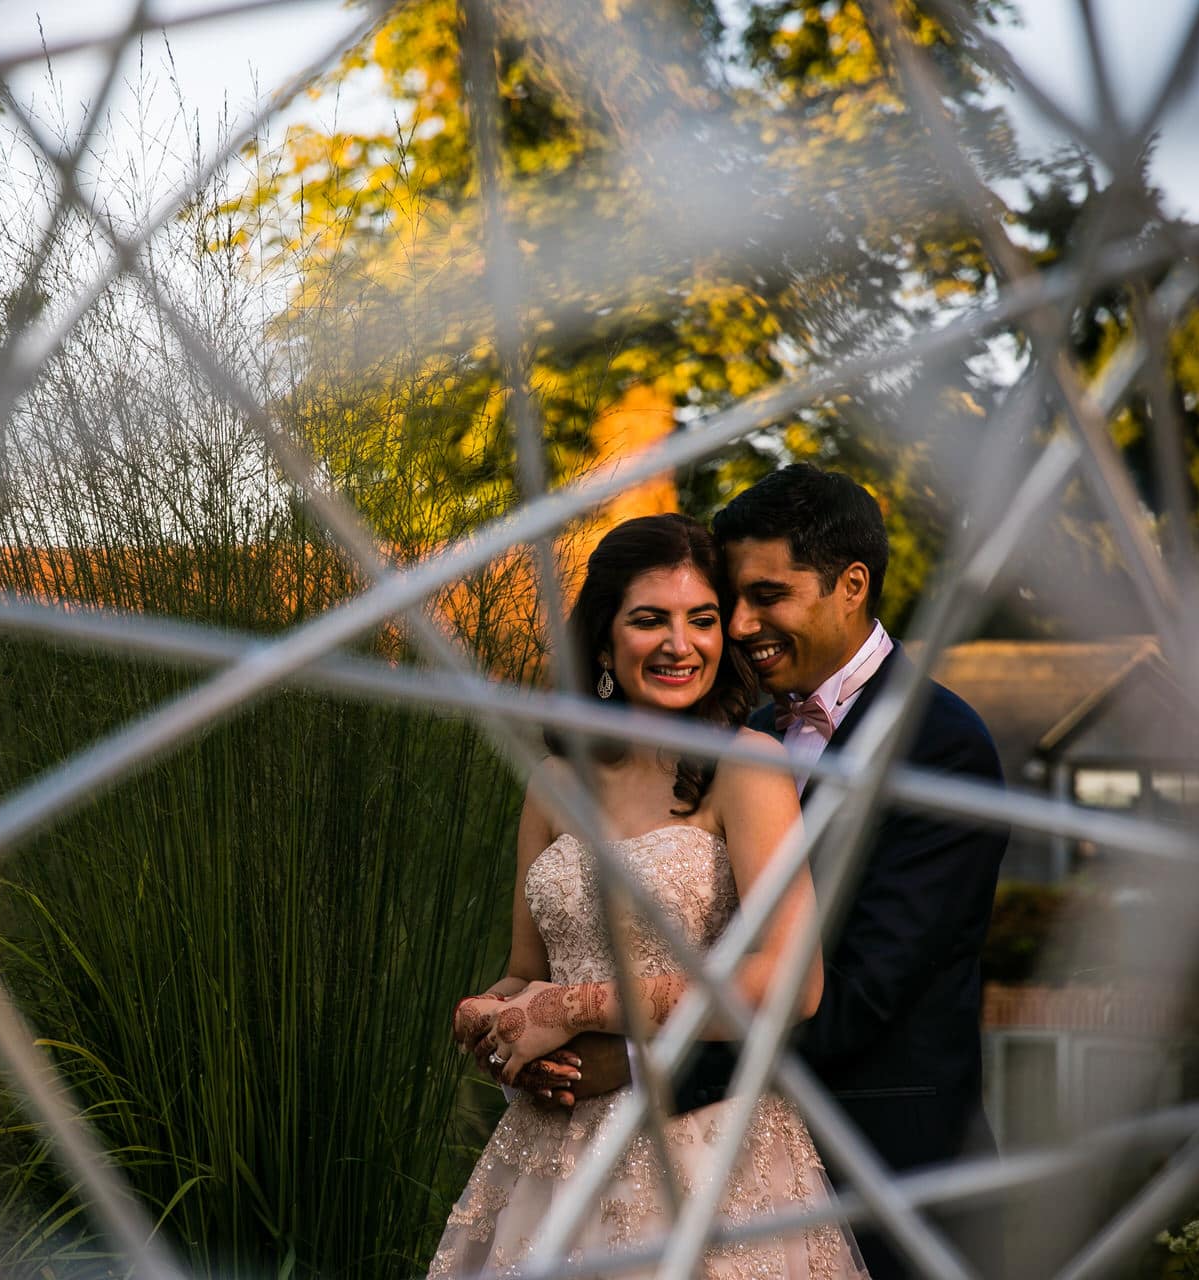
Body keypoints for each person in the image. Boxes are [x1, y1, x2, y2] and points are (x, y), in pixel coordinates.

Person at [517, 466, 1007, 1280]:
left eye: (768, 596)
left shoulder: (938, 748)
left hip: (879, 1171)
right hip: (707, 1171)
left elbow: (852, 998)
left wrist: (630, 1064)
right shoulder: (731, 736)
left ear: (852, 586)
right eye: (732, 600)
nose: (741, 626)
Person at [428, 513, 867, 1280]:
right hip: (546, 1154)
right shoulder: (553, 782)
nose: (680, 644)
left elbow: (792, 985)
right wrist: (491, 1025)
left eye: (701, 620)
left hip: (704, 1155)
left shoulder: (746, 765)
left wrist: (568, 1011)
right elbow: (526, 970)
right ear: (603, 641)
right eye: (649, 620)